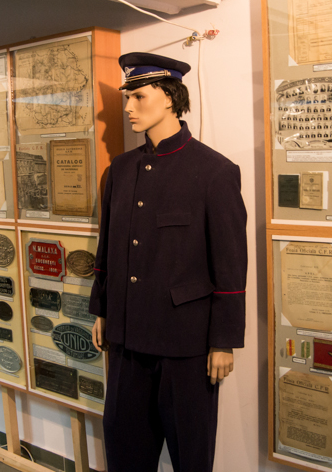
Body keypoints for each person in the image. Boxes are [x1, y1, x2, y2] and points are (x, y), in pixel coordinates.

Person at [89, 53, 247, 471]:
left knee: (191, 456)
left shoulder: (214, 172)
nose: (128, 107)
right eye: (128, 97)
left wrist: (223, 340)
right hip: (127, 338)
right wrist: (102, 309)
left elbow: (231, 263)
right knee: (124, 450)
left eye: (139, 96)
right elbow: (109, 246)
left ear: (171, 98)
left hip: (186, 345)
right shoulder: (121, 170)